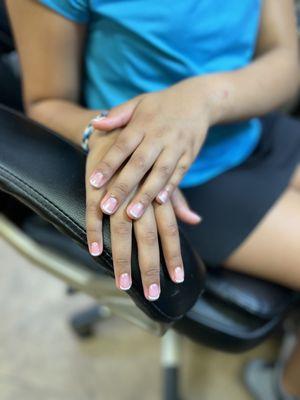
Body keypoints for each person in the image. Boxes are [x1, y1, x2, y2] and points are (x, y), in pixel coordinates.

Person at [5, 0, 300, 398]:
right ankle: (284, 385)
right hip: (182, 188)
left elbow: (285, 59)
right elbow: (45, 104)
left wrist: (203, 99)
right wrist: (112, 141)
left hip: (249, 121)